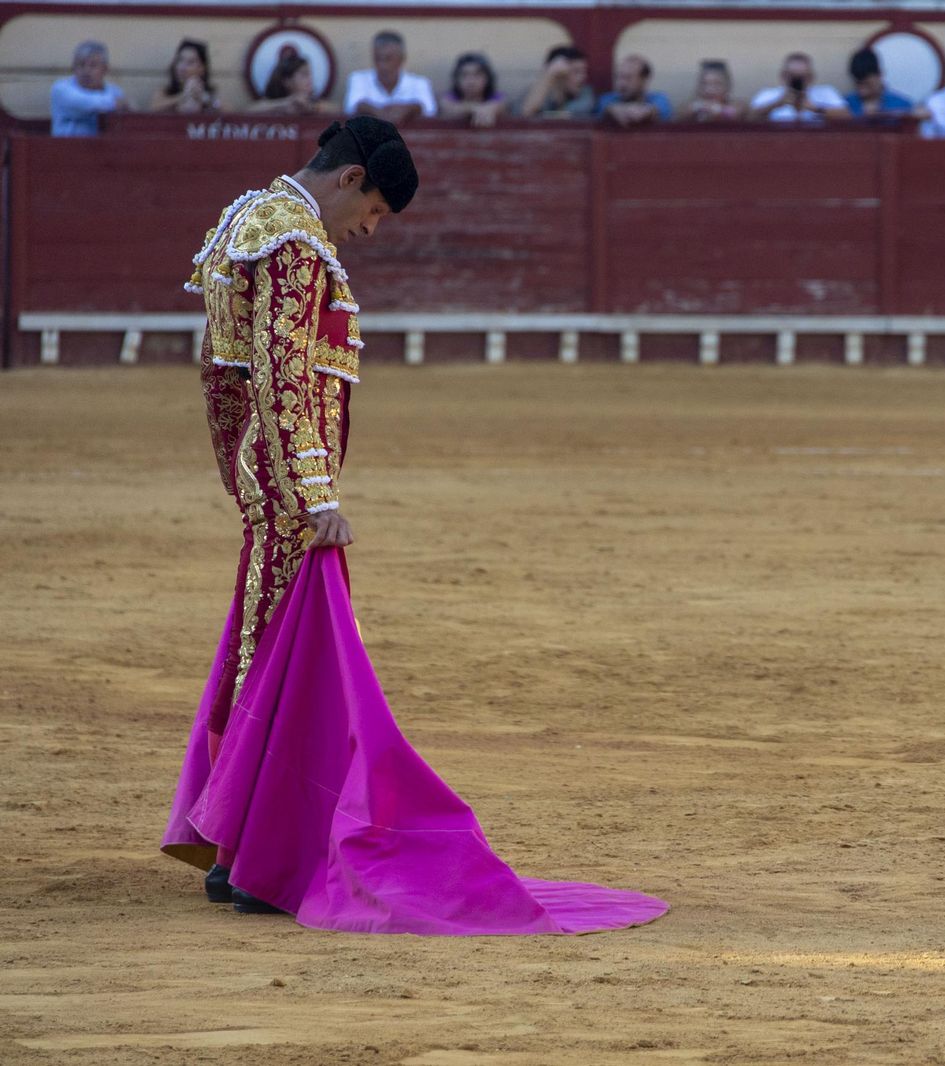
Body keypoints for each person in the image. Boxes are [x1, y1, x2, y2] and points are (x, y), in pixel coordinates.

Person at [168, 118, 668, 936]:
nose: (367, 232)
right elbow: (283, 372)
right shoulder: (293, 240)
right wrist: (313, 493)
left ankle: (236, 848)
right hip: (288, 484)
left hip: (262, 476)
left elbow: (233, 373)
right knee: (278, 662)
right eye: (371, 214)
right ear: (350, 178)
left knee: (263, 645)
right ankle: (252, 857)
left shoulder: (254, 216)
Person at [344, 31, 436, 123]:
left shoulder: (419, 83)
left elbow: (429, 109)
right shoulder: (359, 79)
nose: (382, 65)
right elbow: (352, 105)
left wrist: (407, 109)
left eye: (388, 59)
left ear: (402, 58)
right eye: (378, 58)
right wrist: (380, 113)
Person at [50, 41, 127, 137]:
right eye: (81, 65)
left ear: (105, 69)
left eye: (93, 65)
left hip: (103, 149)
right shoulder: (61, 89)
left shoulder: (114, 91)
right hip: (66, 148)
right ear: (73, 68)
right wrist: (115, 103)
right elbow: (85, 102)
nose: (86, 71)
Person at [749, 52, 848, 123]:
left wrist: (816, 109)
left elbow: (847, 116)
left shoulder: (826, 93)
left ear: (811, 77)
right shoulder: (768, 95)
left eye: (802, 77)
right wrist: (777, 104)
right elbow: (748, 118)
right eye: (792, 77)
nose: (797, 82)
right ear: (783, 76)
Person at [597, 53, 671, 128]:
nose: (622, 83)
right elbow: (604, 108)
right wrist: (612, 110)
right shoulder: (607, 99)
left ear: (643, 80)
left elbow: (658, 108)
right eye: (619, 77)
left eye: (628, 78)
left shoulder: (659, 99)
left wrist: (646, 112)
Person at [520, 45, 594, 118]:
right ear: (558, 74)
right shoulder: (533, 93)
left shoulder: (585, 93)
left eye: (584, 72)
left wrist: (540, 115)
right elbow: (525, 114)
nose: (583, 77)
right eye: (576, 72)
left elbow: (572, 112)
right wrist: (550, 73)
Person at [149, 39, 219, 114]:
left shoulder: (209, 94)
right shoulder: (165, 91)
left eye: (190, 62)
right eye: (180, 60)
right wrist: (183, 96)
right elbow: (153, 108)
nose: (182, 67)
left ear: (202, 68)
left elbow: (228, 110)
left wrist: (205, 98)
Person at [438, 52, 506, 128]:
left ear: (487, 78)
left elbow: (499, 106)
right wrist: (476, 109)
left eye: (477, 75)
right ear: (457, 79)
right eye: (464, 75)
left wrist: (487, 110)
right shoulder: (450, 97)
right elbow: (447, 107)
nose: (471, 81)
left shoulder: (496, 97)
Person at [844, 47, 914, 118]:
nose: (862, 90)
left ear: (879, 75)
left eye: (867, 84)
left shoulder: (902, 105)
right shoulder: (844, 106)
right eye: (858, 84)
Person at [249, 52, 328, 115]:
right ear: (287, 81)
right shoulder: (273, 103)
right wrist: (285, 103)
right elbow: (248, 111)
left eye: (310, 74)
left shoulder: (314, 102)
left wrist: (311, 108)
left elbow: (337, 110)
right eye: (304, 74)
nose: (310, 79)